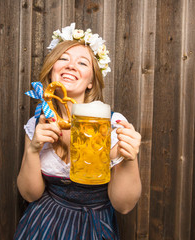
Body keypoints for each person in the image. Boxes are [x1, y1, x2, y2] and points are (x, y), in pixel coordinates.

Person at [14, 23, 142, 240]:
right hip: (42, 223)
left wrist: (129, 160)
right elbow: (30, 194)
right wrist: (33, 150)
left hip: (93, 226)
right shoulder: (39, 121)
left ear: (91, 81)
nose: (71, 65)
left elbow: (124, 206)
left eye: (82, 62)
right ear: (52, 69)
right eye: (63, 58)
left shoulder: (110, 124)